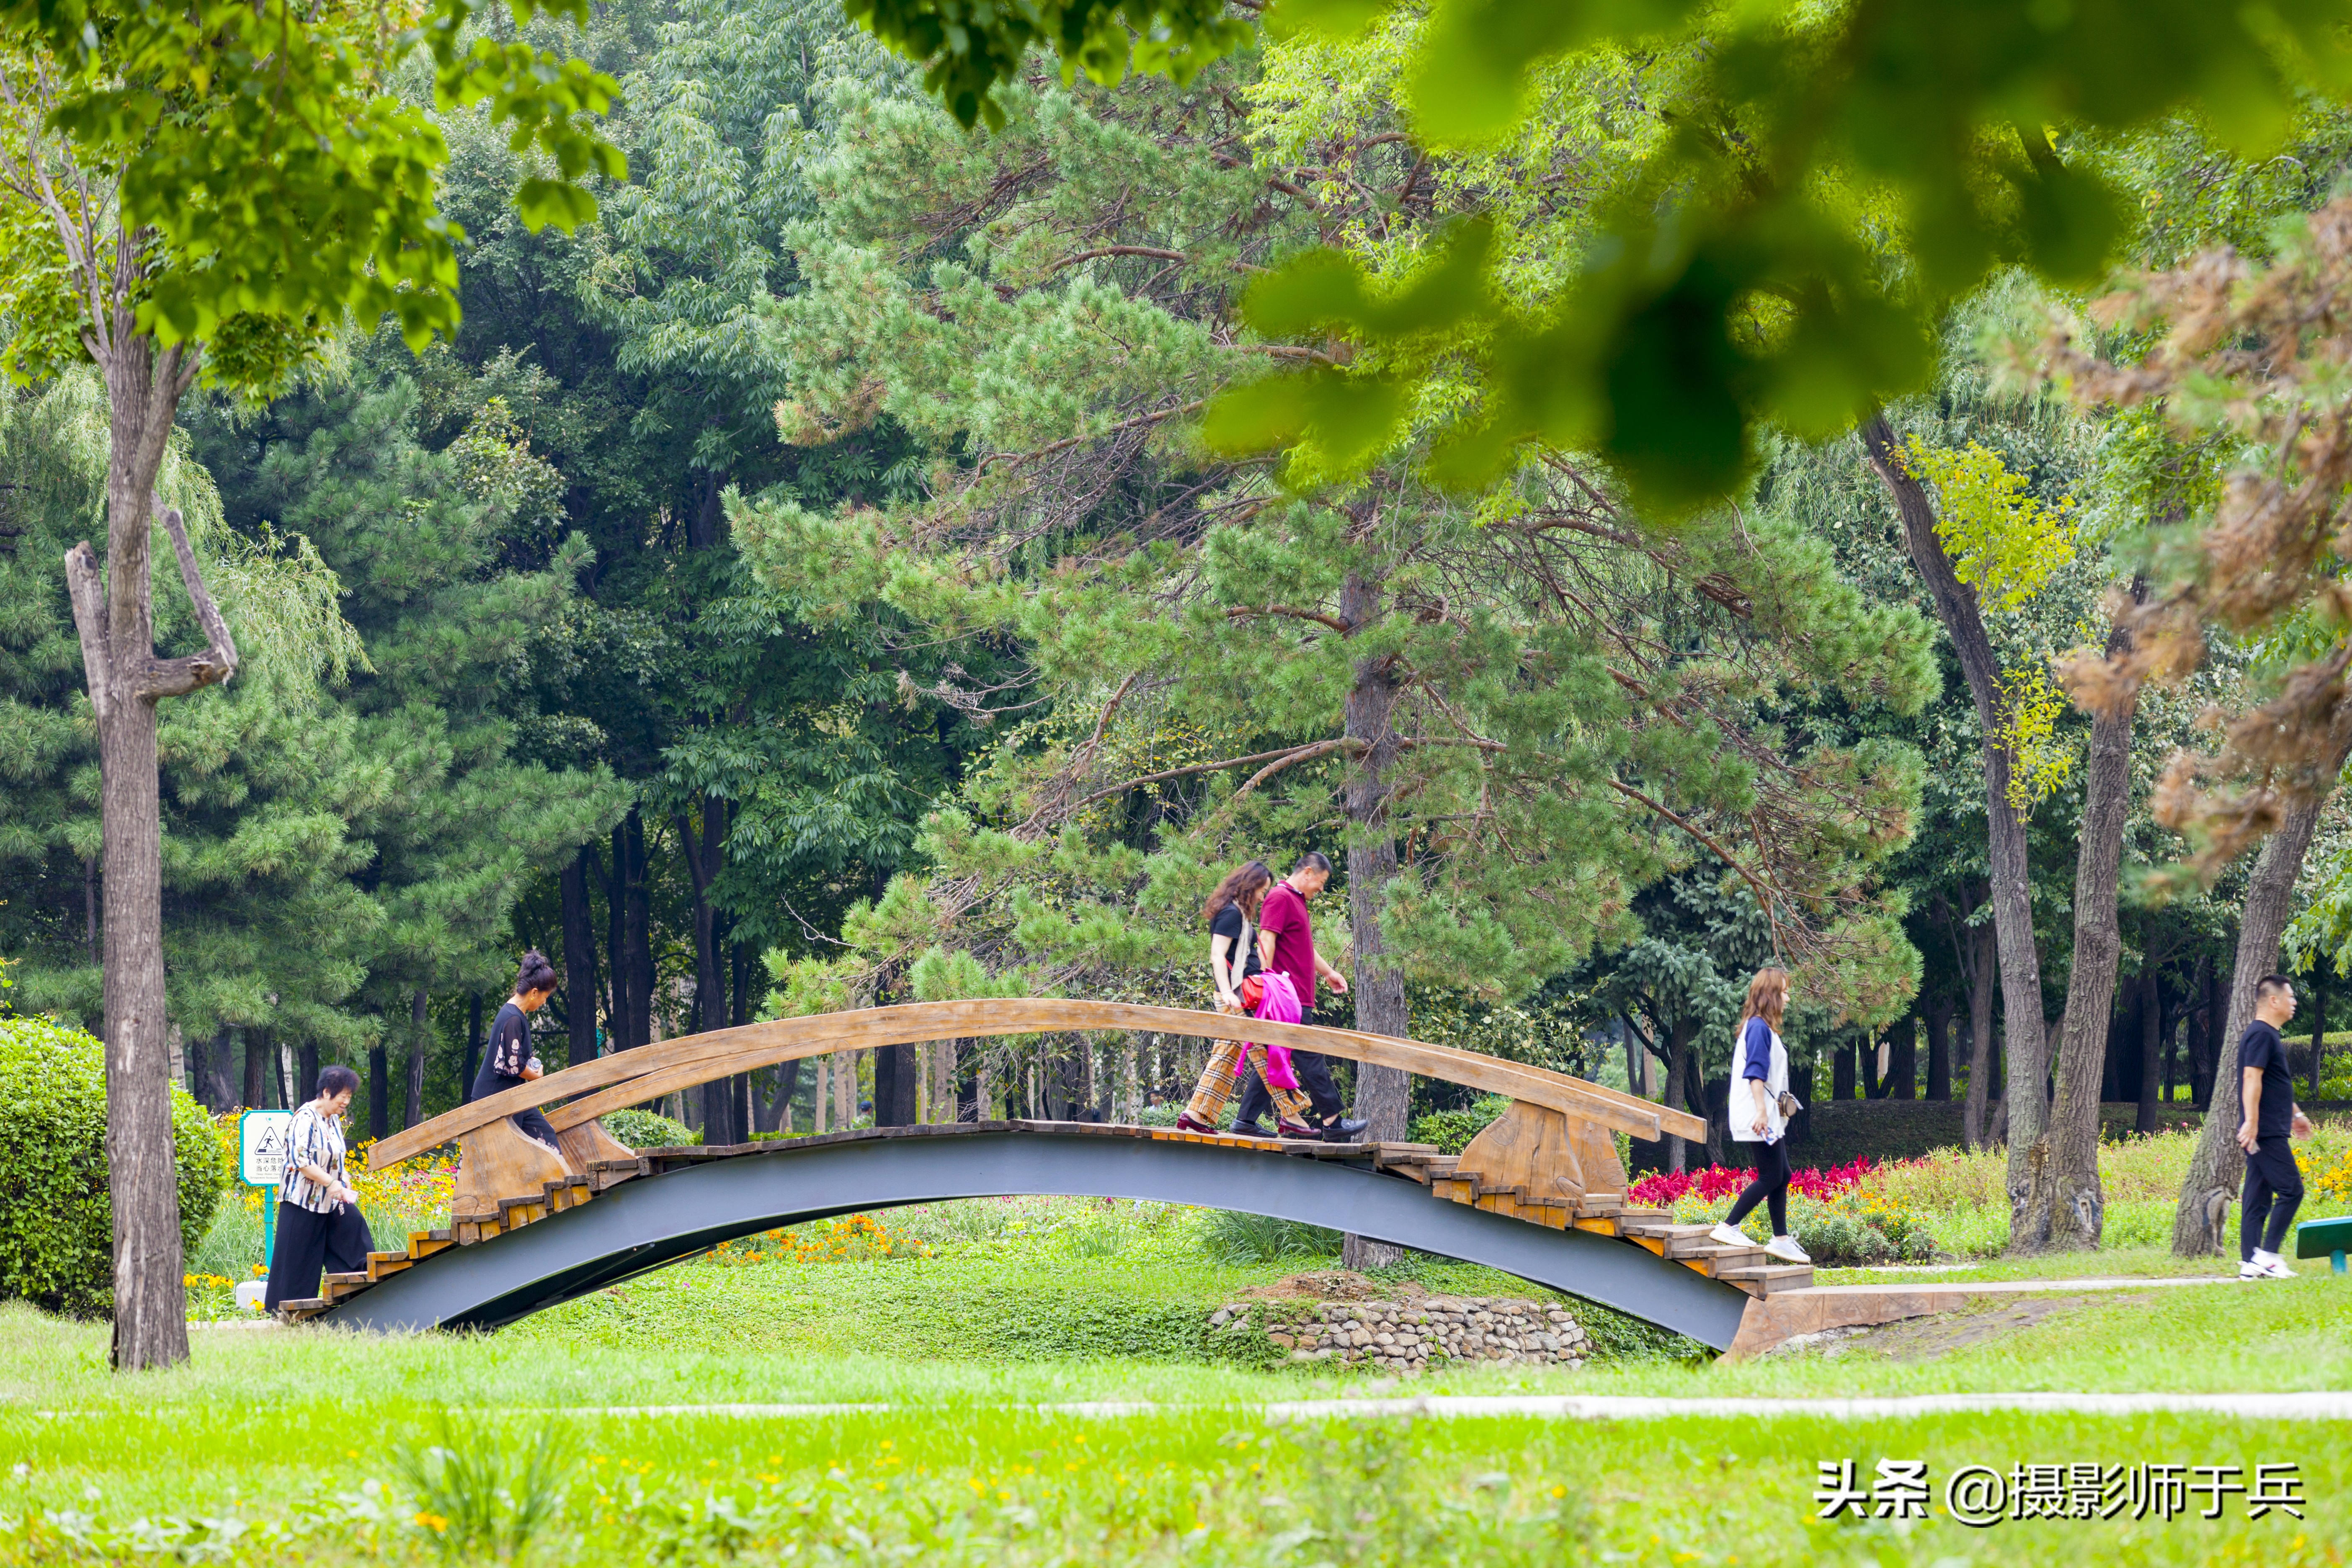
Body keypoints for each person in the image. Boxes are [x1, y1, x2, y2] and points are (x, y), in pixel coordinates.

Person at [1178, 860, 1318, 1137]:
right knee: (1267, 1053)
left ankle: (1194, 1116)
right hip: (1238, 996)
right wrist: (1229, 992)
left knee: (1227, 1056)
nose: (1262, 896)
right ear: (1249, 886)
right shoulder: (1231, 914)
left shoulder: (1237, 913)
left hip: (1243, 994)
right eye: (1261, 890)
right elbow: (1217, 956)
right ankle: (1293, 1117)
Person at [1242, 851, 1367, 1143]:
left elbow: (1305, 948)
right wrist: (1264, 984)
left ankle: (1245, 1119)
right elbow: (1268, 939)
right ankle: (1333, 1120)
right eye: (1321, 883)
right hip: (1287, 999)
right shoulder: (1279, 898)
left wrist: (1328, 973)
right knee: (1310, 1058)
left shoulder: (1296, 901)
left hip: (1299, 999)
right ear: (1308, 873)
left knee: (1278, 1057)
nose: (1321, 889)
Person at [1708, 967, 1810, 1265]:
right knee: (1770, 1175)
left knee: (1783, 1174)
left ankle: (1780, 1240)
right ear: (1772, 995)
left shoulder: (1761, 1028)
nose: (1789, 998)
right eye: (1785, 992)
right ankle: (1728, 1226)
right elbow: (1755, 1072)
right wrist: (1763, 1113)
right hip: (1759, 1116)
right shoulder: (1757, 1028)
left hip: (1764, 1115)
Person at [263, 1065, 377, 1312]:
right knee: (297, 1263)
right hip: (301, 1202)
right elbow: (301, 1161)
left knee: (355, 1233)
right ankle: (285, 1314)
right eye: (343, 1096)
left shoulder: (333, 1120)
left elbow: (337, 1155)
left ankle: (361, 1300)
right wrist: (332, 1183)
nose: (346, 1101)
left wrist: (344, 1180)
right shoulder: (304, 1119)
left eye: (349, 1096)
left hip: (330, 1202)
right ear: (327, 1093)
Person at [2237, 974, 2316, 1280]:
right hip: (2265, 1131)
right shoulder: (2262, 1034)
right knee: (2292, 1190)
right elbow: (2251, 1078)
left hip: (2266, 1128)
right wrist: (2253, 1123)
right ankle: (2268, 1257)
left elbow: (2272, 1085)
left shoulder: (2267, 1035)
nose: (2294, 1002)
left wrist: (2296, 1115)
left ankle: (2250, 1262)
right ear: (2274, 1000)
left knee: (2257, 1197)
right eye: (2291, 997)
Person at [470, 949, 564, 1153]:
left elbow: (516, 1059)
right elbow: (514, 1065)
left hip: (512, 1099)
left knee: (546, 1138)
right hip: (494, 1100)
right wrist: (536, 1076)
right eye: (545, 997)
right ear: (534, 993)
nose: (544, 1002)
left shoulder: (516, 1015)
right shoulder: (513, 1018)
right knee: (489, 1159)